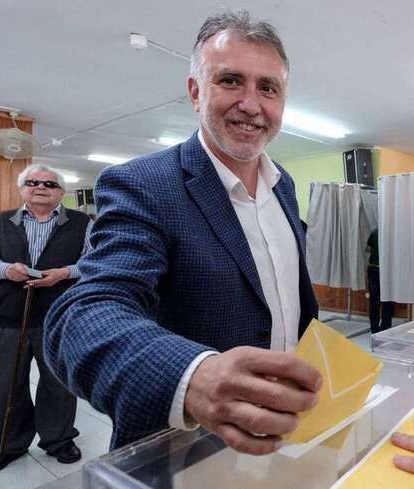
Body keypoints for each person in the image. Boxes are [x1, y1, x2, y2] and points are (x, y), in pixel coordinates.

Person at [44, 11, 323, 454]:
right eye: (231, 81)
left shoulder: (283, 185)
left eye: (268, 88)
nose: (251, 104)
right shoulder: (144, 184)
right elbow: (83, 315)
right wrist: (193, 377)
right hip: (186, 445)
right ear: (195, 92)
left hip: (283, 429)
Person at [0, 165, 90, 478]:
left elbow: (98, 262)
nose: (40, 186)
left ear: (61, 192)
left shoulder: (81, 223)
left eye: (49, 183)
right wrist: (5, 270)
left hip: (60, 320)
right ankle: (9, 447)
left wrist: (66, 273)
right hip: (8, 321)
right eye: (32, 182)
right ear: (22, 189)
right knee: (7, 387)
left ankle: (58, 440)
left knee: (60, 385)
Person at [366, 228, 394, 334]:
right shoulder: (393, 232)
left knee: (374, 301)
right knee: (387, 300)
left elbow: (368, 248)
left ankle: (374, 331)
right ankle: (385, 330)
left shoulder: (375, 231)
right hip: (387, 270)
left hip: (373, 269)